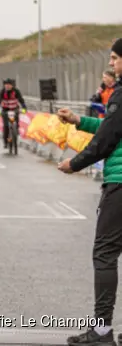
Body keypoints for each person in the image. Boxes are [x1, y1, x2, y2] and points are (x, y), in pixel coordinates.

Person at [57, 38, 122, 346]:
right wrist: (78, 120)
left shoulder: (121, 94)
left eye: (115, 58)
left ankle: (101, 330)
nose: (111, 64)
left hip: (120, 184)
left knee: (105, 254)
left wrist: (76, 163)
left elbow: (107, 140)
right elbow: (112, 127)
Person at [0, 78, 27, 149]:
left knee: (16, 121)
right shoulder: (3, 92)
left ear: (12, 85)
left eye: (9, 85)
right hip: (5, 110)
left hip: (14, 109)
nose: (7, 86)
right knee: (6, 126)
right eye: (6, 85)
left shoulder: (16, 91)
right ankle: (6, 142)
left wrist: (24, 108)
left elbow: (21, 100)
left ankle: (16, 131)